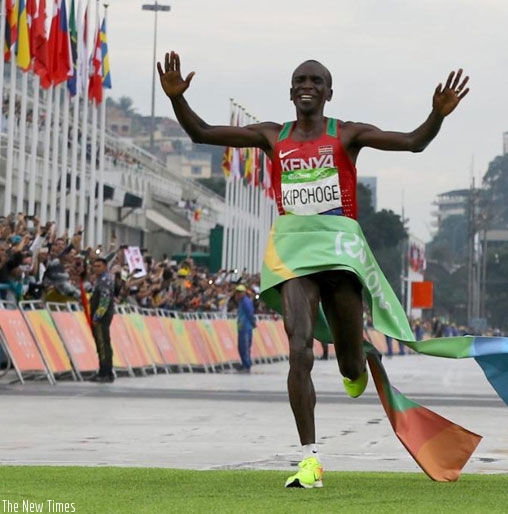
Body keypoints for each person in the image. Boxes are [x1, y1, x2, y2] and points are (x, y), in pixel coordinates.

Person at [158, 51, 469, 488]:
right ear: (291, 92)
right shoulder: (272, 135)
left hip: (339, 252)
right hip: (293, 251)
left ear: (327, 92)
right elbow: (202, 133)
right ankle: (309, 458)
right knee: (299, 347)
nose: (307, 85)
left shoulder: (348, 134)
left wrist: (435, 116)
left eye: (316, 81)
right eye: (300, 80)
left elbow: (414, 142)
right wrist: (177, 100)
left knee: (348, 364)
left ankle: (360, 359)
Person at [89, 258, 115, 383]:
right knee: (104, 343)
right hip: (102, 316)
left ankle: (104, 372)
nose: (96, 268)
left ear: (105, 267)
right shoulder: (101, 279)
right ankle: (106, 371)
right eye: (94, 266)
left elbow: (104, 300)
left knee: (102, 344)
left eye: (99, 266)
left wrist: (97, 316)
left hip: (102, 317)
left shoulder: (105, 280)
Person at [234, 284, 257, 373]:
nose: (238, 294)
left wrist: (253, 322)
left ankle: (247, 365)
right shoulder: (241, 302)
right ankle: (244, 364)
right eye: (237, 292)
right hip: (241, 327)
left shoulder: (246, 302)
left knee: (245, 347)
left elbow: (250, 313)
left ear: (244, 293)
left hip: (246, 328)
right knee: (241, 347)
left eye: (239, 292)